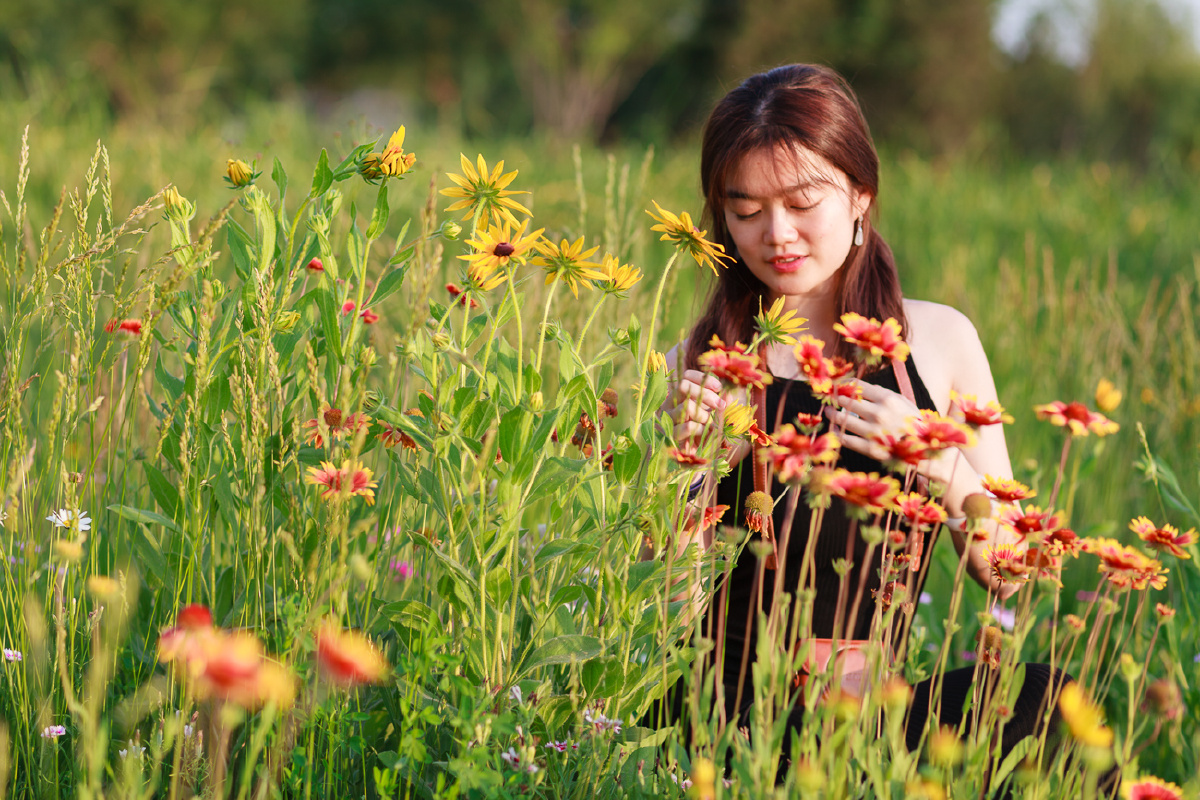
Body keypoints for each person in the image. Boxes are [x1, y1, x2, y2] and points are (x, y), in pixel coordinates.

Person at [657, 64, 1067, 770]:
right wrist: (685, 473)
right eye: (746, 210)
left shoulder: (938, 342)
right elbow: (667, 611)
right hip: (724, 715)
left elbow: (1011, 570)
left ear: (859, 194)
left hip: (867, 713)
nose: (776, 233)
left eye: (801, 201)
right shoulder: (693, 363)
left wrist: (936, 459)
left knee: (1045, 704)